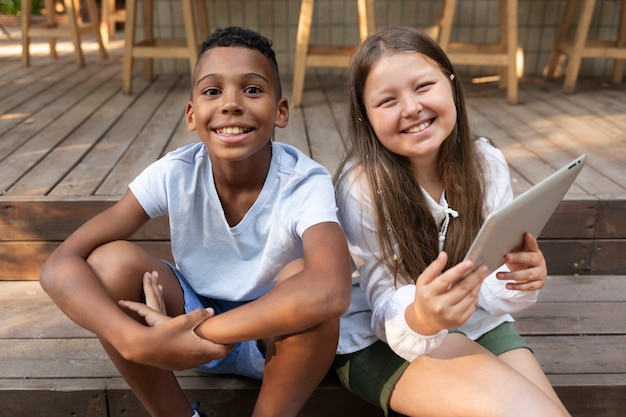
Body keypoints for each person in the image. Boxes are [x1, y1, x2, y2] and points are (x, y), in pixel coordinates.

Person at [39, 26, 351, 417]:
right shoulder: (175, 173)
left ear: (281, 111)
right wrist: (137, 342)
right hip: (183, 320)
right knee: (110, 262)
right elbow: (59, 264)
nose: (231, 104)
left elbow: (332, 290)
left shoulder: (305, 181)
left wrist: (198, 332)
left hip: (273, 334)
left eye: (252, 90)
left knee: (307, 282)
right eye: (212, 91)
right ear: (191, 114)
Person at [332, 26, 571, 417]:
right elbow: (382, 306)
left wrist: (519, 278)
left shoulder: (485, 163)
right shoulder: (362, 186)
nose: (410, 108)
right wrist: (424, 315)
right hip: (383, 335)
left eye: (423, 86)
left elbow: (491, 279)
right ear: (366, 116)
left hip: (472, 318)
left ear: (451, 84)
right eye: (387, 100)